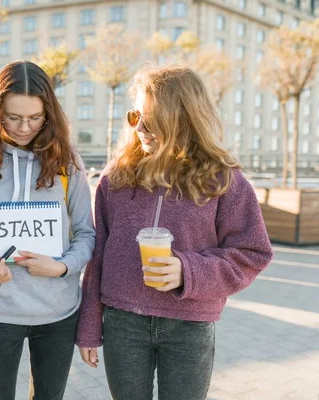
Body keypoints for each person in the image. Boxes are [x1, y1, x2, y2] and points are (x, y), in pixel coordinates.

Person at [76, 66, 273, 400]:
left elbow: (252, 254)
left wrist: (189, 271)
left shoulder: (225, 182)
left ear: (185, 117)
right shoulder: (116, 178)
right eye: (135, 115)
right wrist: (89, 327)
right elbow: (99, 252)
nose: (140, 127)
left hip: (189, 327)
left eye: (153, 118)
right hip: (123, 324)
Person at [0, 60, 95, 400]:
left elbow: (87, 233)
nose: (24, 127)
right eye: (13, 117)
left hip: (58, 312)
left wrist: (62, 266)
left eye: (35, 117)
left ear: (49, 114)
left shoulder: (67, 161)